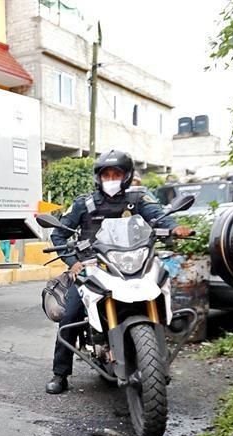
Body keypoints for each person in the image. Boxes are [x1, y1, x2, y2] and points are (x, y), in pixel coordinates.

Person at [46, 150, 191, 395]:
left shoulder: (138, 199)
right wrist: (73, 262)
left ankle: (157, 351)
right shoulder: (85, 203)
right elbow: (59, 233)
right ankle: (60, 373)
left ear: (126, 176)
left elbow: (157, 217)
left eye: (116, 174)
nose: (111, 178)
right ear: (99, 177)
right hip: (92, 265)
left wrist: (174, 228)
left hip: (131, 261)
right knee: (71, 313)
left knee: (160, 284)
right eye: (106, 174)